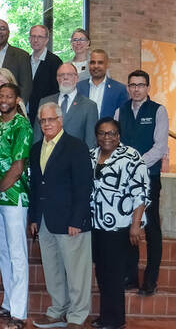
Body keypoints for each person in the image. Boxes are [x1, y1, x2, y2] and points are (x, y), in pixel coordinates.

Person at [29, 103, 93, 329]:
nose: (47, 124)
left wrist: (77, 220)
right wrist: (34, 218)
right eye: (43, 121)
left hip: (71, 222)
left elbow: (84, 187)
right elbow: (36, 186)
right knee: (53, 270)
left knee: (77, 273)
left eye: (51, 119)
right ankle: (57, 310)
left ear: (61, 120)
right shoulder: (36, 148)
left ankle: (77, 315)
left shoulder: (76, 147)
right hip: (46, 221)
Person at [90, 118, 150, 329]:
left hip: (119, 226)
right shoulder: (91, 155)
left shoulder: (131, 156)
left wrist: (136, 224)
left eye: (112, 133)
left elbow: (141, 193)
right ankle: (106, 316)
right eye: (102, 133)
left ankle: (115, 320)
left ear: (119, 135)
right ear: (96, 135)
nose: (107, 137)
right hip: (96, 225)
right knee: (102, 273)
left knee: (114, 274)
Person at [0, 83, 32, 329]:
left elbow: (17, 167)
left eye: (9, 96)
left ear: (17, 99)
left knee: (17, 254)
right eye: (1, 96)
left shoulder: (22, 125)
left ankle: (20, 313)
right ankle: (8, 303)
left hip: (14, 198)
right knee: (2, 251)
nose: (4, 100)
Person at [114, 70, 168, 295]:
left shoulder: (158, 110)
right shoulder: (120, 111)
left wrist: (135, 163)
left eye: (141, 85)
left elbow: (160, 146)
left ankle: (151, 279)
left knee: (151, 227)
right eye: (132, 85)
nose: (136, 89)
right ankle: (131, 276)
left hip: (150, 178)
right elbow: (115, 143)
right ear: (128, 87)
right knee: (128, 225)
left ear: (148, 87)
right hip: (126, 180)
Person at [33, 63, 98, 149]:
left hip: (75, 158)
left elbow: (91, 142)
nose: (65, 77)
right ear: (57, 79)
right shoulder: (44, 101)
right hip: (48, 158)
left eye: (70, 75)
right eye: (61, 75)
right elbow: (37, 136)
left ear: (76, 78)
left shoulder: (89, 106)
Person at [27, 24, 62, 125]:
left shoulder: (55, 62)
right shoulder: (25, 61)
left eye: (40, 37)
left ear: (46, 40)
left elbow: (56, 91)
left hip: (45, 117)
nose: (36, 40)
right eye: (33, 36)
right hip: (26, 116)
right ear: (29, 39)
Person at [77, 49, 128, 119]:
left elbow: (124, 117)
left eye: (100, 63)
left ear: (107, 64)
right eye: (92, 62)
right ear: (89, 65)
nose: (96, 66)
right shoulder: (78, 87)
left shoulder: (120, 89)